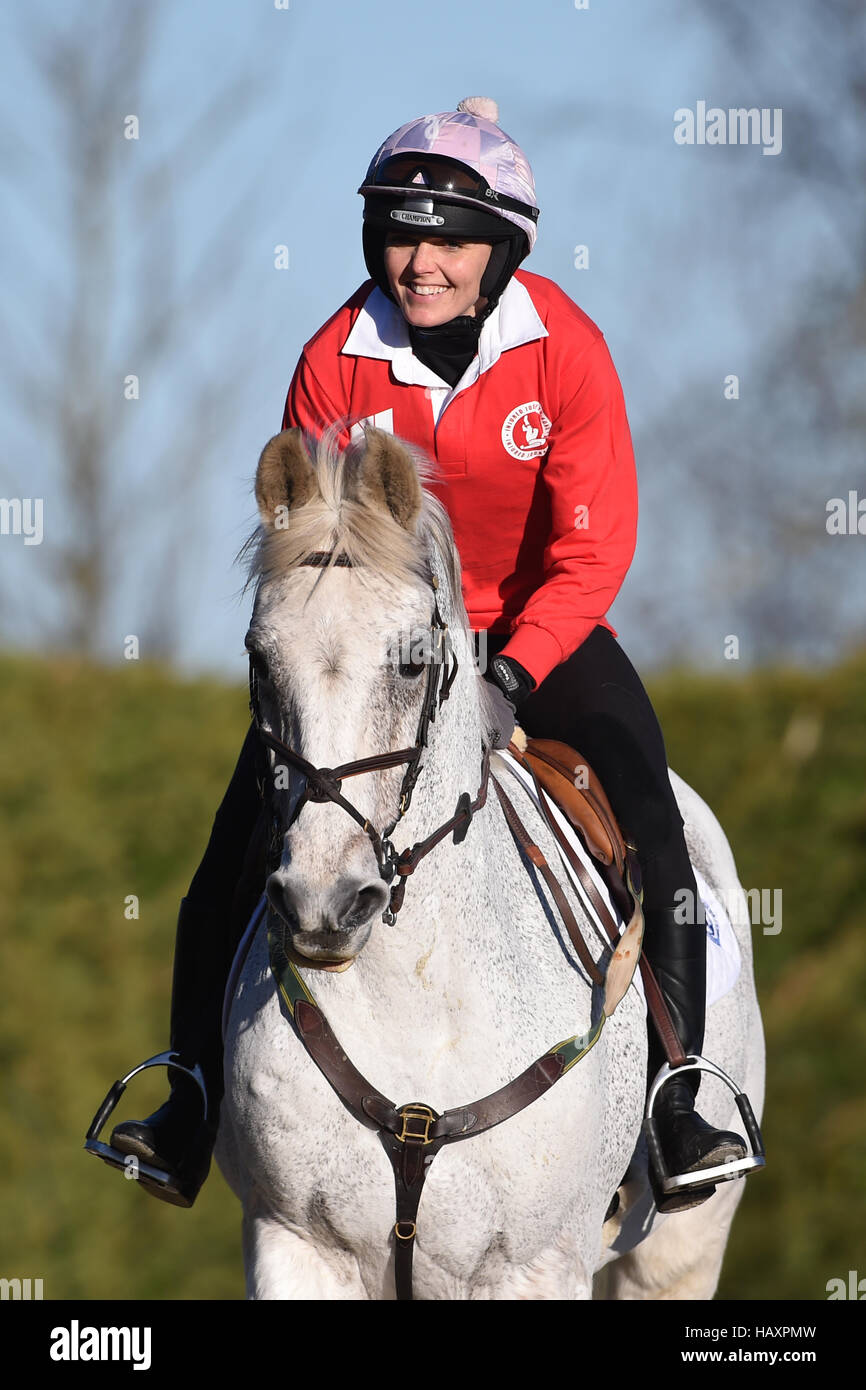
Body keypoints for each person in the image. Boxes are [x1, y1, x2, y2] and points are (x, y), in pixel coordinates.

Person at [108, 96, 754, 1212]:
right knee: (233, 847)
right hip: (380, 660)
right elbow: (310, 558)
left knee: (652, 818)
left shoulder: (566, 349)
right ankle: (189, 1101)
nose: (422, 262)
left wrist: (507, 677)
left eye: (449, 240)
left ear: (499, 250)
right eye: (401, 235)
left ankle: (679, 1092)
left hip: (543, 634)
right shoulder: (332, 360)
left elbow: (593, 552)